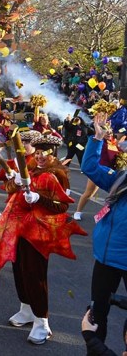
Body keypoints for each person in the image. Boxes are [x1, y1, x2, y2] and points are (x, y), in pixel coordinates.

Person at [0, 133, 86, 345]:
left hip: (39, 235)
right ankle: (26, 309)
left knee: (35, 275)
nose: (39, 156)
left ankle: (42, 322)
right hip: (18, 230)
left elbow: (62, 205)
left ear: (53, 153)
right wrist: (14, 181)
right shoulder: (31, 169)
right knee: (19, 270)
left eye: (44, 153)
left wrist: (40, 199)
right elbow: (14, 192)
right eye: (37, 152)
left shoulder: (58, 174)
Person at [80, 112, 127, 343]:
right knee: (97, 313)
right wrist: (97, 139)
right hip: (106, 259)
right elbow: (89, 168)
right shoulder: (121, 180)